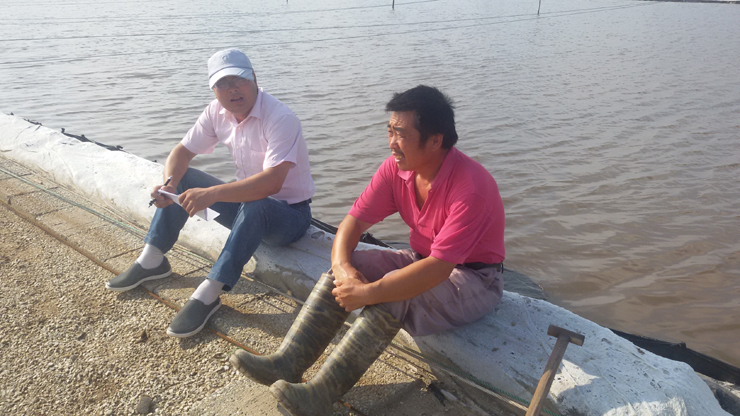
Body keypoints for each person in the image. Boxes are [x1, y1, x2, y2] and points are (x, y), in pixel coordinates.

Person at [229, 85, 505, 415]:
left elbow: (438, 269)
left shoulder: (470, 188)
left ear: (435, 140)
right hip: (422, 258)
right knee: (351, 266)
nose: (392, 142)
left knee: (394, 293)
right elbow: (353, 223)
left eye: (401, 134)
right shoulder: (397, 169)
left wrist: (368, 293)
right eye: (390, 131)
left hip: (474, 279)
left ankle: (320, 395)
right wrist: (344, 269)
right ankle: (287, 363)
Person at [105, 48, 315, 338]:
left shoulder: (280, 117)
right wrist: (169, 185)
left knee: (256, 203)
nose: (233, 89)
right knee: (185, 177)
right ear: (214, 89)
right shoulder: (216, 112)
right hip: (247, 207)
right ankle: (152, 259)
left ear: (254, 78)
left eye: (239, 80)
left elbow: (272, 183)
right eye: (223, 83)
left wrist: (213, 194)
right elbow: (181, 152)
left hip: (290, 217)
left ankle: (210, 291)